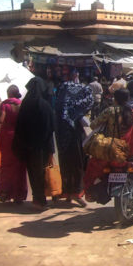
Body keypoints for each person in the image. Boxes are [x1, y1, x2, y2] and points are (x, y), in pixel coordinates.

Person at [83, 89, 133, 198]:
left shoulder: (110, 111)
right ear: (128, 99)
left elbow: (93, 125)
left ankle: (90, 193)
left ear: (115, 99)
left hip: (110, 150)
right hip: (128, 150)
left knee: (92, 166)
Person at [13, 77, 57, 210]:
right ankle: (41, 198)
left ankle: (38, 198)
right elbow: (52, 127)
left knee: (33, 172)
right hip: (43, 146)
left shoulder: (25, 105)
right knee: (43, 171)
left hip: (28, 146)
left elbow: (19, 126)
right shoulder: (45, 105)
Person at [54, 76, 93, 206]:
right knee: (77, 165)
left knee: (65, 164)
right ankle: (75, 192)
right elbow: (89, 102)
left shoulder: (59, 106)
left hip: (62, 139)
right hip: (75, 139)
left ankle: (67, 192)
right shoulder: (77, 111)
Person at [0, 84, 27, 203]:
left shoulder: (5, 104)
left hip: (7, 138)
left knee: (6, 165)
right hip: (19, 136)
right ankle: (19, 195)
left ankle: (5, 192)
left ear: (9, 93)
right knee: (19, 166)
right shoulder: (21, 104)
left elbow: (1, 120)